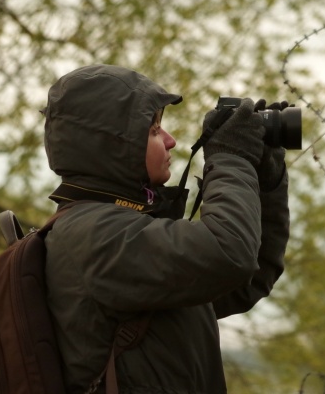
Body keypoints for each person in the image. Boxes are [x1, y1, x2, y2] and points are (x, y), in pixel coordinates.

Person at [41, 64, 290, 393]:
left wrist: (264, 178)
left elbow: (248, 276)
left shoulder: (117, 228)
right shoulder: (96, 236)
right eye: (154, 130)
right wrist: (232, 157)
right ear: (115, 144)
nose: (171, 141)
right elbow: (229, 255)